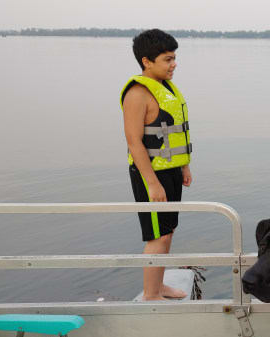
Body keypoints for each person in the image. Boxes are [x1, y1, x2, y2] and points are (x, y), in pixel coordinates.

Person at [120, 29, 193, 301]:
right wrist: (152, 182)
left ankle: (159, 285)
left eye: (174, 58)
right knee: (157, 236)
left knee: (168, 232)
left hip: (171, 171)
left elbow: (173, 132)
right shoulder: (137, 93)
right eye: (167, 59)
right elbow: (133, 140)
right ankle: (151, 295)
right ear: (146, 61)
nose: (173, 64)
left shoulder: (165, 88)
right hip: (149, 174)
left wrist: (184, 167)